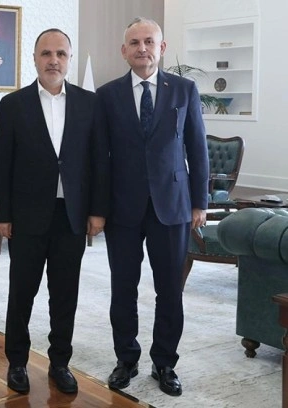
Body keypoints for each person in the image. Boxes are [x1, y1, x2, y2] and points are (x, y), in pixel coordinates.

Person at [96, 17, 208, 397]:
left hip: (172, 206)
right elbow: (100, 158)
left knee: (170, 290)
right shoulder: (107, 95)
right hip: (122, 208)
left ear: (161, 48)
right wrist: (98, 208)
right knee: (123, 288)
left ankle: (165, 363)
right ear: (123, 50)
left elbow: (197, 148)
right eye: (134, 42)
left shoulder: (184, 90)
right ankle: (126, 359)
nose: (141, 48)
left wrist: (200, 202)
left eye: (148, 41)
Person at [0, 28, 109, 395]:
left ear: (69, 59)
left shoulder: (90, 104)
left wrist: (97, 211)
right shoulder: (13, 105)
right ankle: (17, 362)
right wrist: (2, 215)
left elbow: (99, 163)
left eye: (60, 53)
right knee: (21, 293)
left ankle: (60, 363)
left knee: (65, 295)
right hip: (26, 216)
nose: (53, 60)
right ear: (35, 58)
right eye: (46, 53)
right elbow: (2, 164)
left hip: (71, 216)